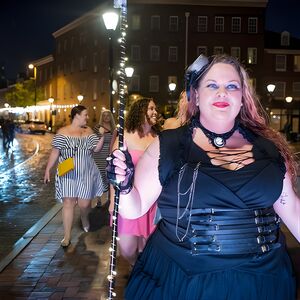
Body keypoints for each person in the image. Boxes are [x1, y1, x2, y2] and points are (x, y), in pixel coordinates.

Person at [107, 54, 300, 299]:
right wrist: (123, 185)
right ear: (196, 95)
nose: (222, 92)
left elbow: (292, 209)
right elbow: (134, 208)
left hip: (262, 282)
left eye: (232, 86)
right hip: (181, 282)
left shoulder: (268, 149)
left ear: (242, 98)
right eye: (212, 85)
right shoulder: (169, 144)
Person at [44, 105, 105, 248]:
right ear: (77, 115)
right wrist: (48, 169)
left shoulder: (88, 131)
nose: (87, 117)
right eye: (85, 115)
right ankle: (66, 236)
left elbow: (96, 149)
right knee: (68, 203)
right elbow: (55, 152)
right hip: (67, 171)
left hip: (86, 171)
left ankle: (84, 217)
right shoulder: (63, 132)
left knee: (84, 204)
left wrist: (101, 136)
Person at [109, 97, 159, 266]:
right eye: (151, 109)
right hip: (128, 200)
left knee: (148, 247)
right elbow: (114, 172)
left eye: (155, 109)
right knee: (127, 249)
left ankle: (141, 275)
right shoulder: (124, 139)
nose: (155, 112)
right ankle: (133, 266)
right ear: (139, 112)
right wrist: (112, 201)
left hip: (152, 202)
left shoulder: (157, 138)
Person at [93, 109, 117, 206]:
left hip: (108, 154)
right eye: (104, 115)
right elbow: (94, 141)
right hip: (98, 154)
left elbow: (113, 143)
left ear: (110, 117)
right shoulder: (97, 128)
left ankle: (108, 198)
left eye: (108, 115)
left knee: (107, 175)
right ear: (101, 117)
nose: (106, 117)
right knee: (98, 176)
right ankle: (98, 199)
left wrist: (110, 154)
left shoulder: (114, 129)